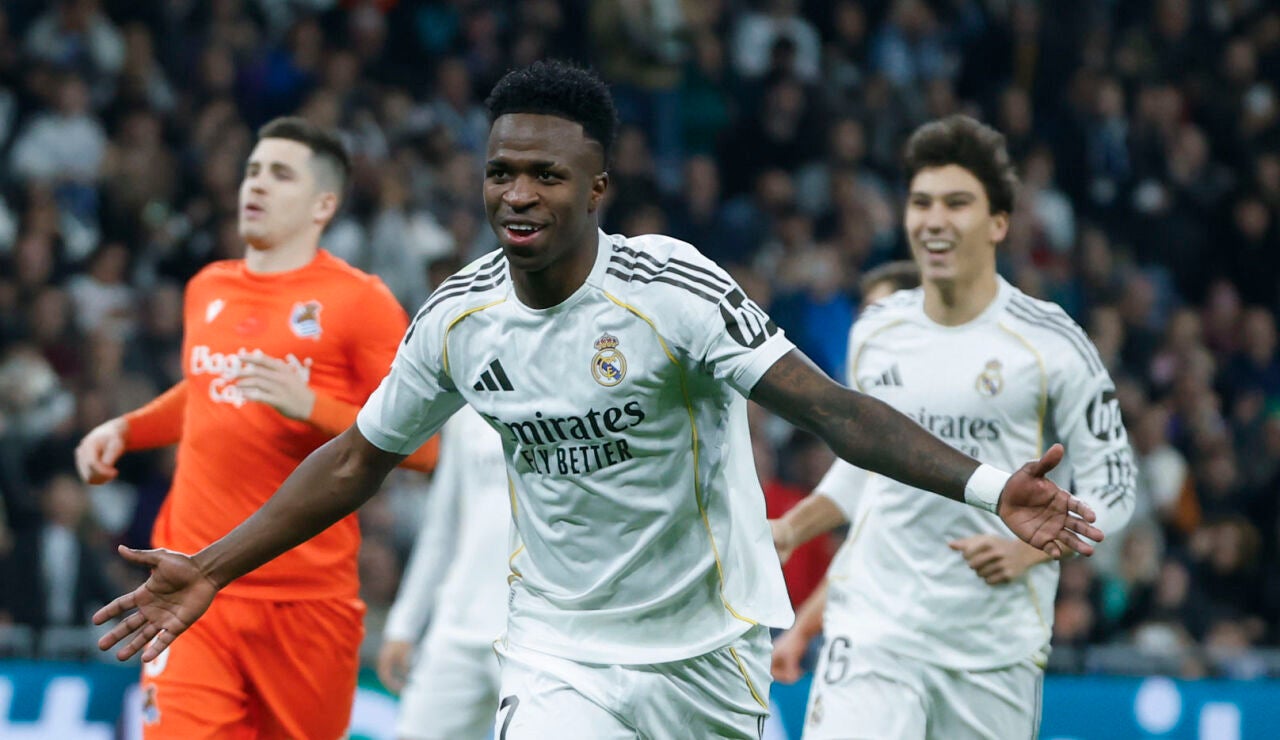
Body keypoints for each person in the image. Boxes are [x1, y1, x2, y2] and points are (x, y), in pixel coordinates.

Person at [93, 63, 1103, 740]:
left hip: (706, 647)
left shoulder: (673, 291)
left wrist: (984, 485)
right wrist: (213, 568)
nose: (516, 193)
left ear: (596, 187)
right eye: (500, 173)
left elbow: (829, 407)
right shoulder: (459, 316)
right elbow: (358, 455)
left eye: (544, 173)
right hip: (555, 651)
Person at [769, 115, 1137, 739]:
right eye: (921, 202)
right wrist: (794, 527)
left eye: (956, 203)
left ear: (998, 223)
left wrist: (1028, 550)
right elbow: (870, 461)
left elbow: (1117, 486)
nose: (934, 219)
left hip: (992, 649)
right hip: (876, 630)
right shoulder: (876, 331)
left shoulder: (1052, 341)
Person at [74, 116, 439, 740]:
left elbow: (426, 449)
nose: (257, 184)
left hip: (305, 602)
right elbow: (209, 389)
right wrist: (129, 429)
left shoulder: (362, 302)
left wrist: (313, 406)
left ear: (324, 203)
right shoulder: (207, 287)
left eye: (280, 173)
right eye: (252, 170)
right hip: (188, 588)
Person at [376, 404, 509, 740]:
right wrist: (404, 624)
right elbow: (443, 524)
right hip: (458, 623)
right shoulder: (469, 409)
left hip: (539, 632)